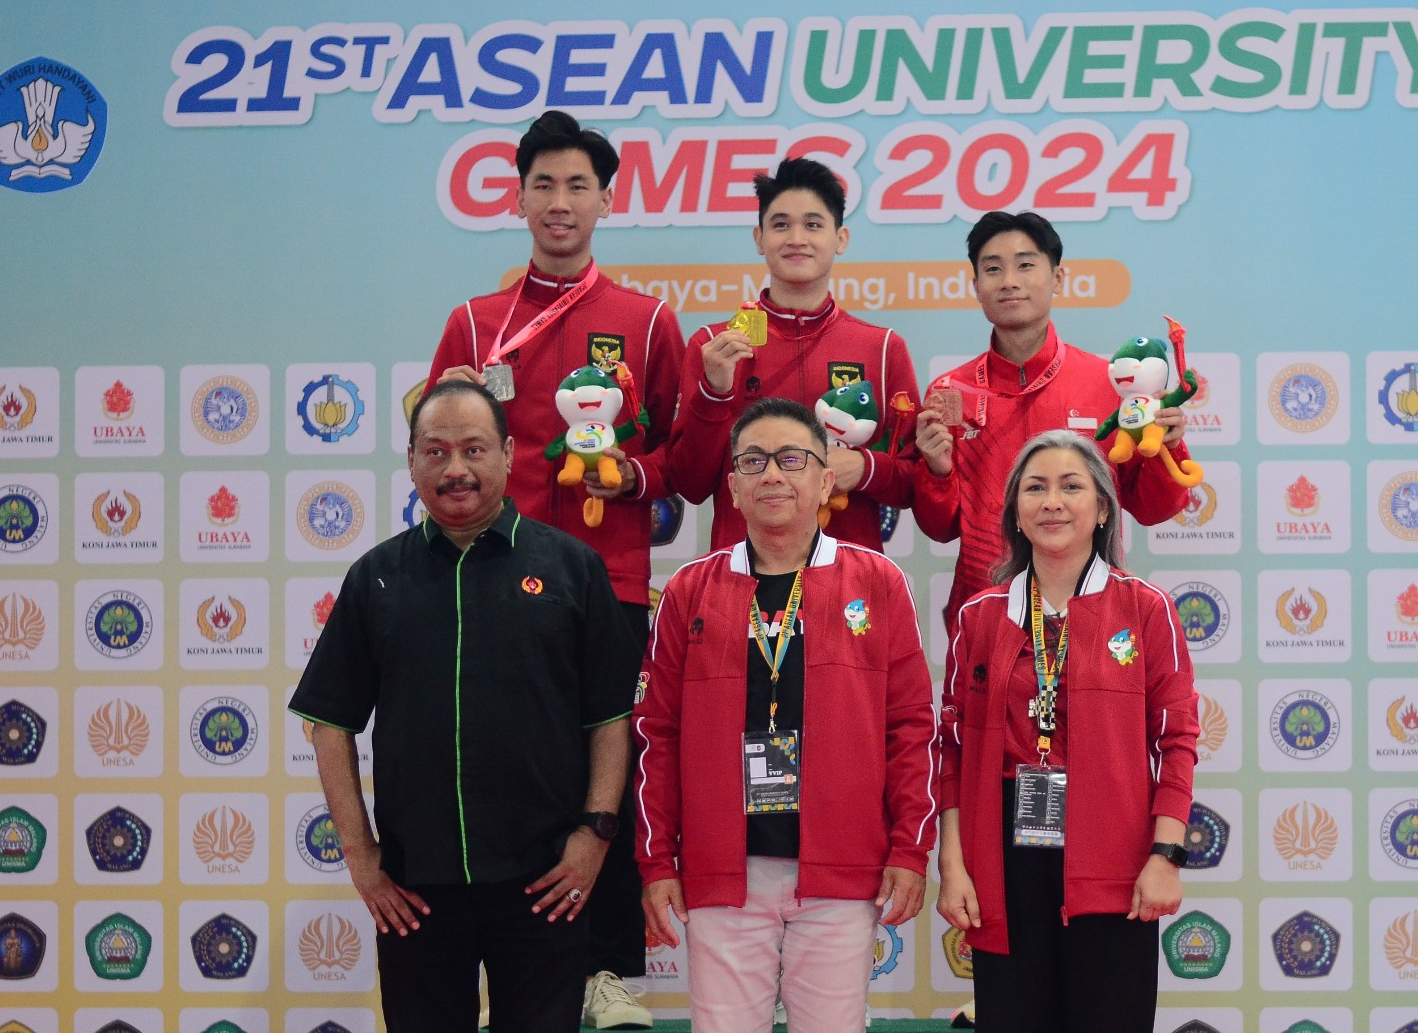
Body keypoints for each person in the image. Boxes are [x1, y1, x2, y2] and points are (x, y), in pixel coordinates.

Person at [427, 109, 678, 1028]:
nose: (560, 202)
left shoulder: (647, 321)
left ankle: (606, 971)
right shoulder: (475, 323)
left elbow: (686, 456)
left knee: (608, 773)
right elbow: (436, 439)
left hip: (610, 582)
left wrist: (633, 476)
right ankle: (513, 974)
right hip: (488, 581)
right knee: (503, 769)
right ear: (520, 198)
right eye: (544, 185)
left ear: (606, 201)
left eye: (578, 185)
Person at [289, 380, 640, 1031]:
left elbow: (610, 718)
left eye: (474, 449)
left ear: (507, 455)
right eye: (436, 451)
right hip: (414, 891)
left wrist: (594, 836)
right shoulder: (376, 578)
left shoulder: (572, 567)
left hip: (546, 882)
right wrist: (361, 857)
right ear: (412, 461)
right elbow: (329, 723)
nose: (456, 468)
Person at [636, 398, 938, 1033]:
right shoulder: (691, 590)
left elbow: (911, 729)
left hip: (841, 869)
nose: (772, 473)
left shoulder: (877, 581)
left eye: (792, 459)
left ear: (826, 481)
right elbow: (657, 735)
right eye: (754, 461)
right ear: (733, 488)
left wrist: (910, 850)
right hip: (722, 871)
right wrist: (657, 862)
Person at [935, 429, 1199, 1032]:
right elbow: (951, 749)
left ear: (1102, 508)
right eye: (1035, 488)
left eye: (1071, 487)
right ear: (1015, 512)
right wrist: (953, 865)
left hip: (1115, 855)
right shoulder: (980, 616)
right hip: (1003, 858)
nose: (1052, 502)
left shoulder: (1145, 608)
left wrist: (1165, 855)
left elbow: (1177, 740)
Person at [911, 210, 1193, 635]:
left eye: (1025, 265)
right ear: (976, 287)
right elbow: (940, 528)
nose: (1009, 281)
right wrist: (936, 471)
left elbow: (1157, 509)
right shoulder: (951, 392)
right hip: (988, 617)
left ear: (1058, 278)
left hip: (1093, 614)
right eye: (993, 269)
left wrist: (1167, 446)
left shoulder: (1109, 385)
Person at [669, 156, 920, 552]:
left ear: (840, 238)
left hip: (850, 576)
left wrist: (866, 468)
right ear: (759, 238)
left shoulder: (884, 348)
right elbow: (690, 484)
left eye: (813, 225)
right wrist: (714, 392)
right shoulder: (714, 345)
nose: (797, 238)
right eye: (781, 224)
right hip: (744, 572)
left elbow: (916, 483)